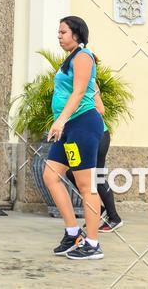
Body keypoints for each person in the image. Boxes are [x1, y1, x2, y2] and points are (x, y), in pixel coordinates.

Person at [43, 15, 105, 260]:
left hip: (82, 125)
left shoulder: (83, 56)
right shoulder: (71, 58)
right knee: (51, 175)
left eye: (63, 32)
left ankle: (93, 243)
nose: (59, 36)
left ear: (76, 34)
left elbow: (79, 91)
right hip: (69, 127)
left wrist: (60, 120)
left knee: (86, 185)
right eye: (58, 32)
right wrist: (62, 122)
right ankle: (73, 234)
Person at [66, 82, 123, 231]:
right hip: (80, 136)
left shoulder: (90, 83)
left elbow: (100, 109)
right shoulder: (67, 81)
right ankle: (99, 209)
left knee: (96, 177)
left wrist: (77, 112)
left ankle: (114, 218)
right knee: (71, 172)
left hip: (98, 135)